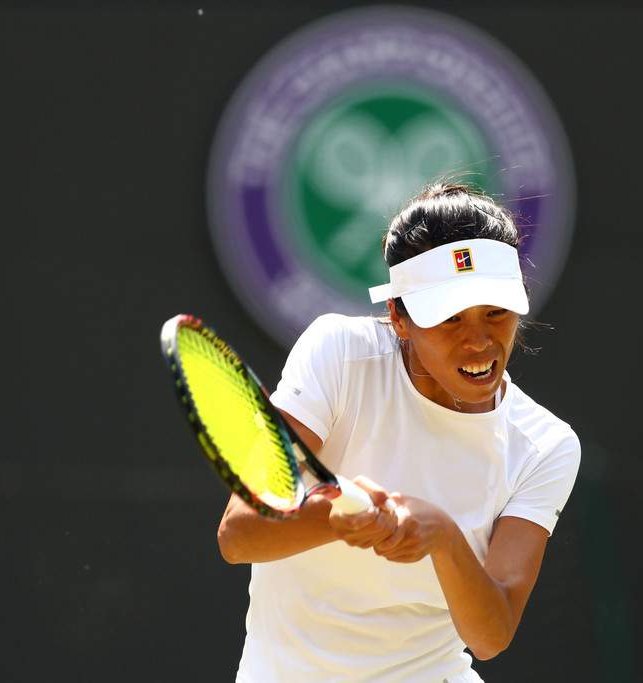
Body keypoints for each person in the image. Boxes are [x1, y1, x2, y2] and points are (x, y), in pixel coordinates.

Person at [217, 183, 582, 682]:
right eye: (450, 318)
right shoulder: (339, 353)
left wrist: (443, 536)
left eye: (495, 312)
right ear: (398, 318)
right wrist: (341, 515)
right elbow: (239, 534)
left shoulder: (546, 446)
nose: (479, 341)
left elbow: (490, 634)